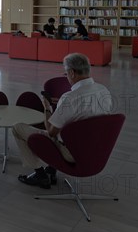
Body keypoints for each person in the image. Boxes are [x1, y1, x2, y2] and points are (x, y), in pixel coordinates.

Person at [12, 53, 113, 189]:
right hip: (96, 148)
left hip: (72, 152)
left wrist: (47, 108)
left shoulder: (69, 98)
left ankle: (40, 175)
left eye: (65, 73)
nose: (66, 76)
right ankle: (52, 170)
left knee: (18, 128)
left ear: (71, 73)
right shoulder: (103, 90)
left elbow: (51, 132)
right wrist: (62, 104)